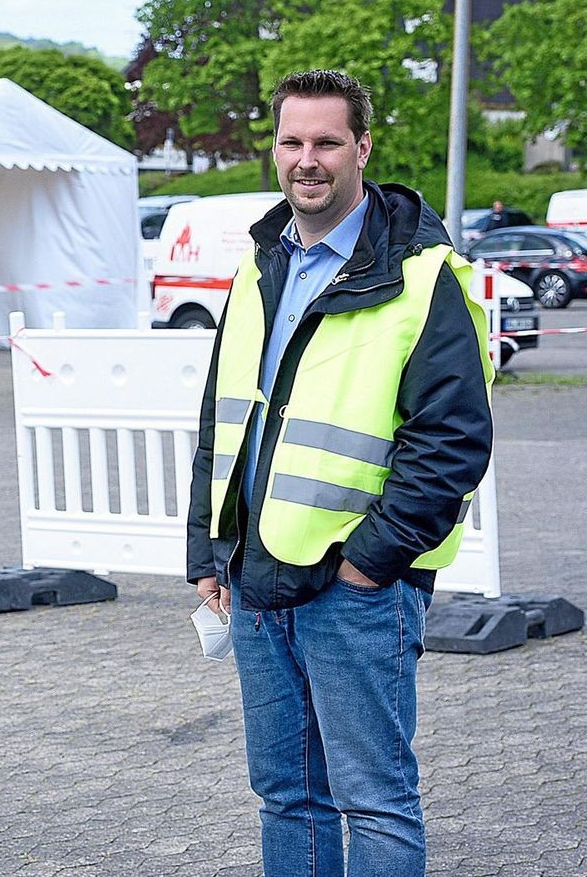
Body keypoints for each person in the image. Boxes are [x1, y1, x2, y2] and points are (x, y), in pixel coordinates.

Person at [187, 69, 492, 877]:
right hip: (256, 584)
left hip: (356, 592)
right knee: (287, 795)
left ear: (362, 147)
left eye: (327, 141)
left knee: (376, 800)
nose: (307, 159)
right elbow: (225, 418)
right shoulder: (260, 269)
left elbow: (452, 441)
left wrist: (369, 564)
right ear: (275, 149)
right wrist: (211, 552)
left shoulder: (422, 277)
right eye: (292, 141)